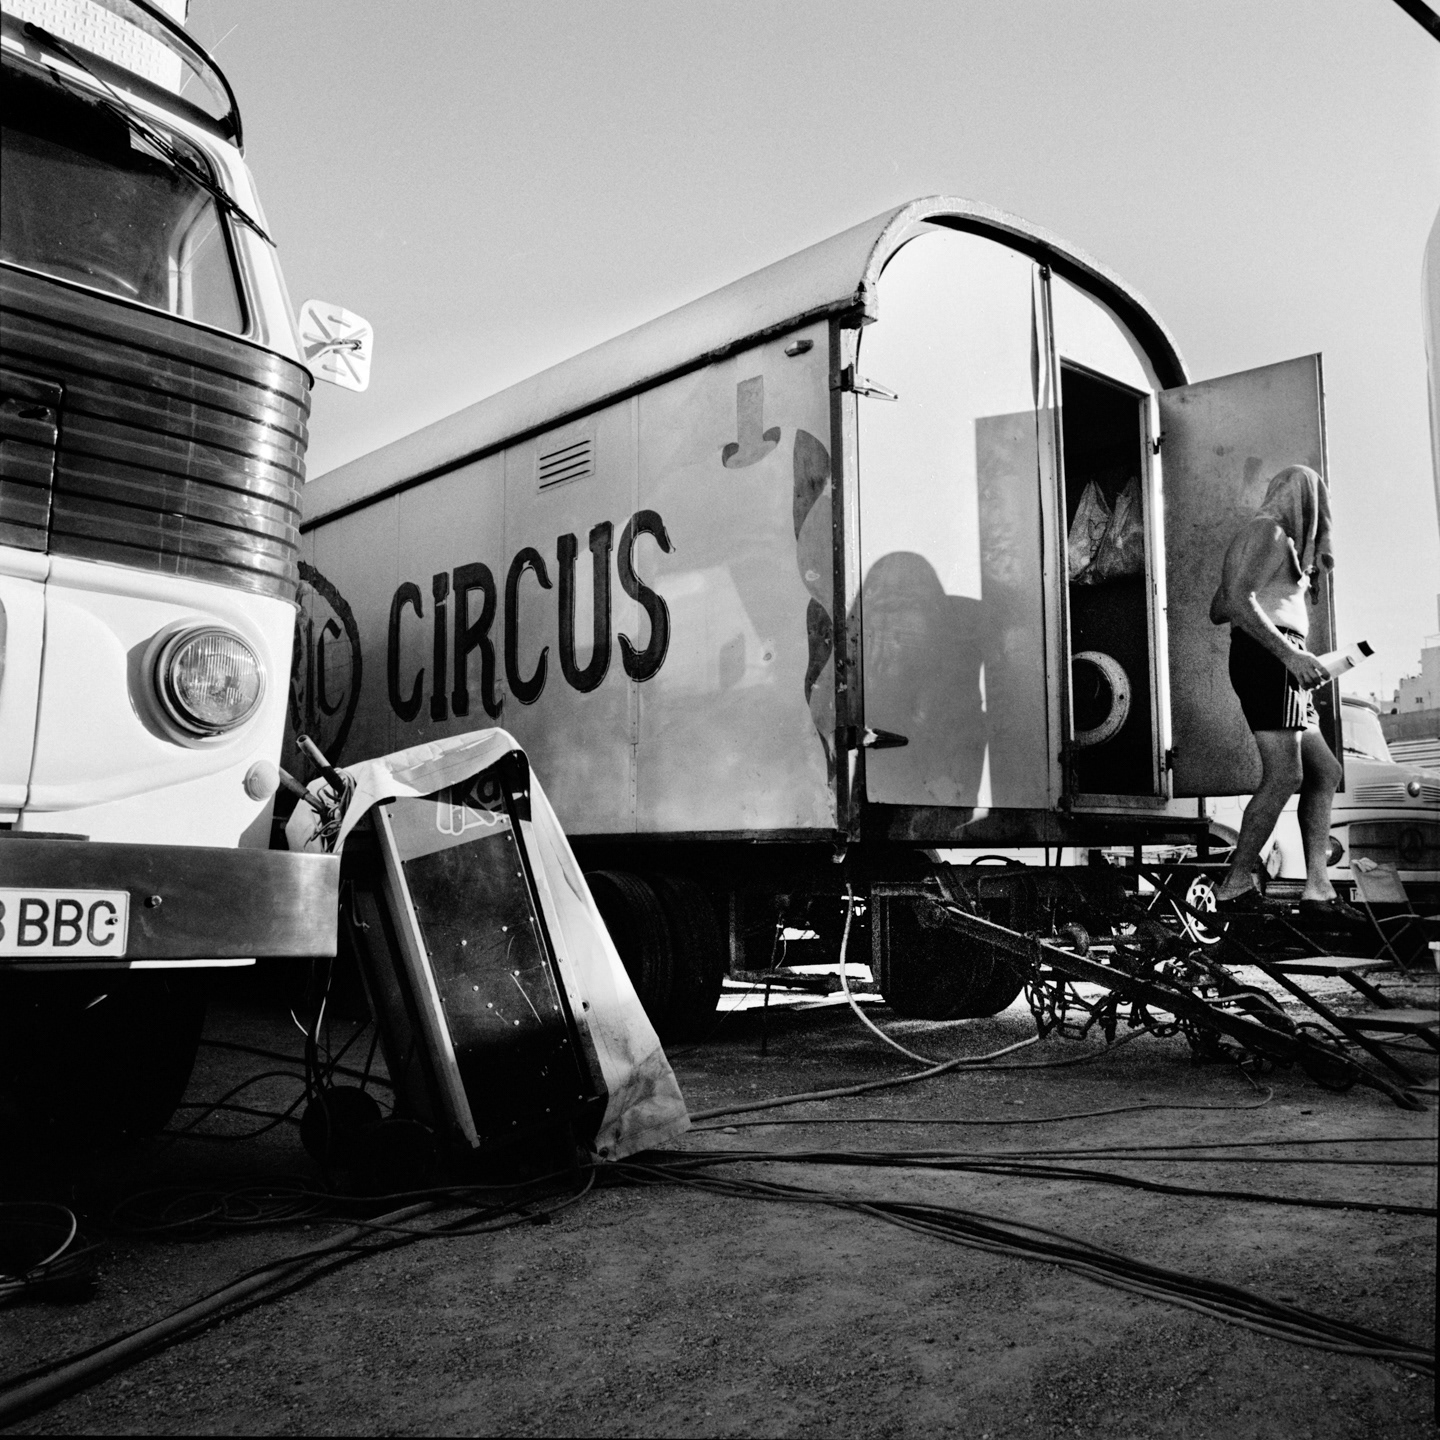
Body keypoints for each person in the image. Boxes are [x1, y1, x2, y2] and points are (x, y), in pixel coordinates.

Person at [1208, 464, 1361, 920]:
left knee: (1324, 771)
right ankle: (1235, 884)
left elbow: (1220, 605)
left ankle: (1318, 887)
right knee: (1284, 776)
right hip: (1272, 659)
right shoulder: (1270, 531)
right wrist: (1290, 654)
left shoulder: (1266, 538)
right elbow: (1236, 602)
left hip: (1275, 657)